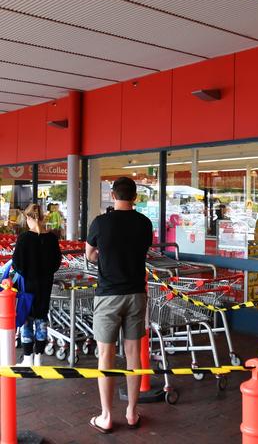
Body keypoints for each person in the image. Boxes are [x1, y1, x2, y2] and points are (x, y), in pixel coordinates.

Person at [86, 177, 153, 434]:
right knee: (133, 355)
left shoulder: (101, 223)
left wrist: (104, 254)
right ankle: (132, 412)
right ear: (135, 197)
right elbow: (142, 250)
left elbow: (89, 254)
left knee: (106, 356)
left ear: (113, 195)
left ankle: (106, 416)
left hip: (107, 295)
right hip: (136, 293)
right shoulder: (144, 223)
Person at [12, 204, 62, 367]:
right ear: (41, 218)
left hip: (28, 285)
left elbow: (16, 263)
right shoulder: (52, 238)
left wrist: (26, 272)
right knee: (41, 319)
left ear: (28, 218)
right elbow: (56, 263)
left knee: (27, 320)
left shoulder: (24, 238)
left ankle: (28, 358)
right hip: (45, 285)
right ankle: (39, 358)